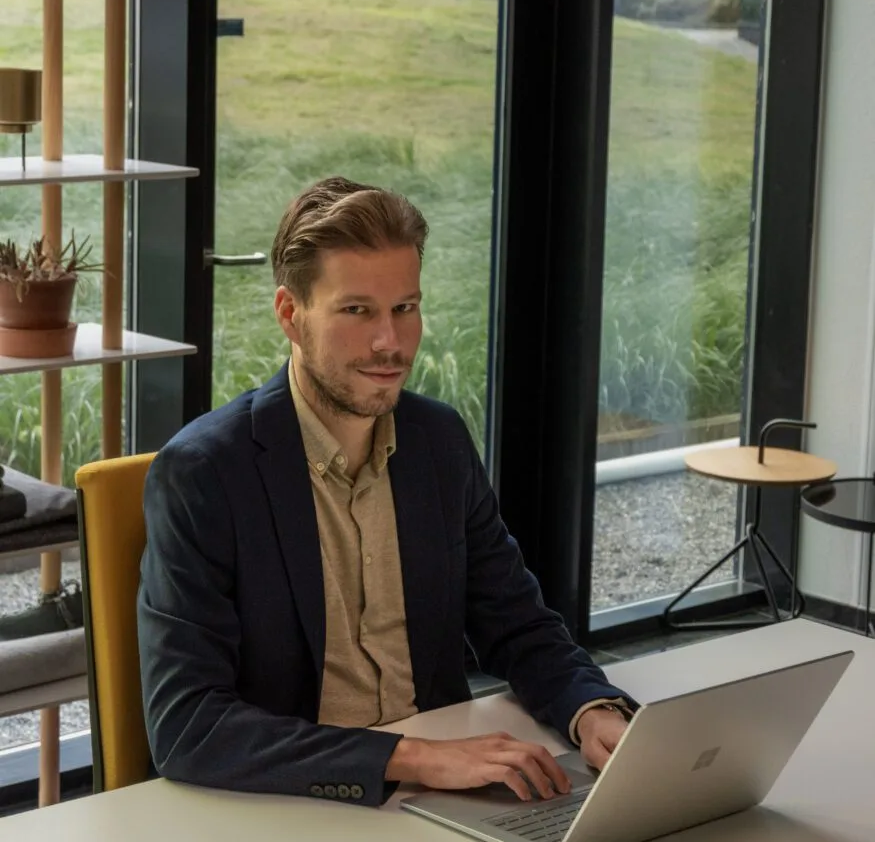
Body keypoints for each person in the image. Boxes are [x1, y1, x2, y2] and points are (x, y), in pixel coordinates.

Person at [137, 176, 636, 808]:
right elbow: (189, 726)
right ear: (291, 315)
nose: (390, 343)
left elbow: (517, 624)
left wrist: (593, 714)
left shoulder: (438, 442)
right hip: (295, 805)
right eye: (357, 311)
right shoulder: (205, 474)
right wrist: (415, 759)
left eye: (405, 308)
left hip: (447, 799)